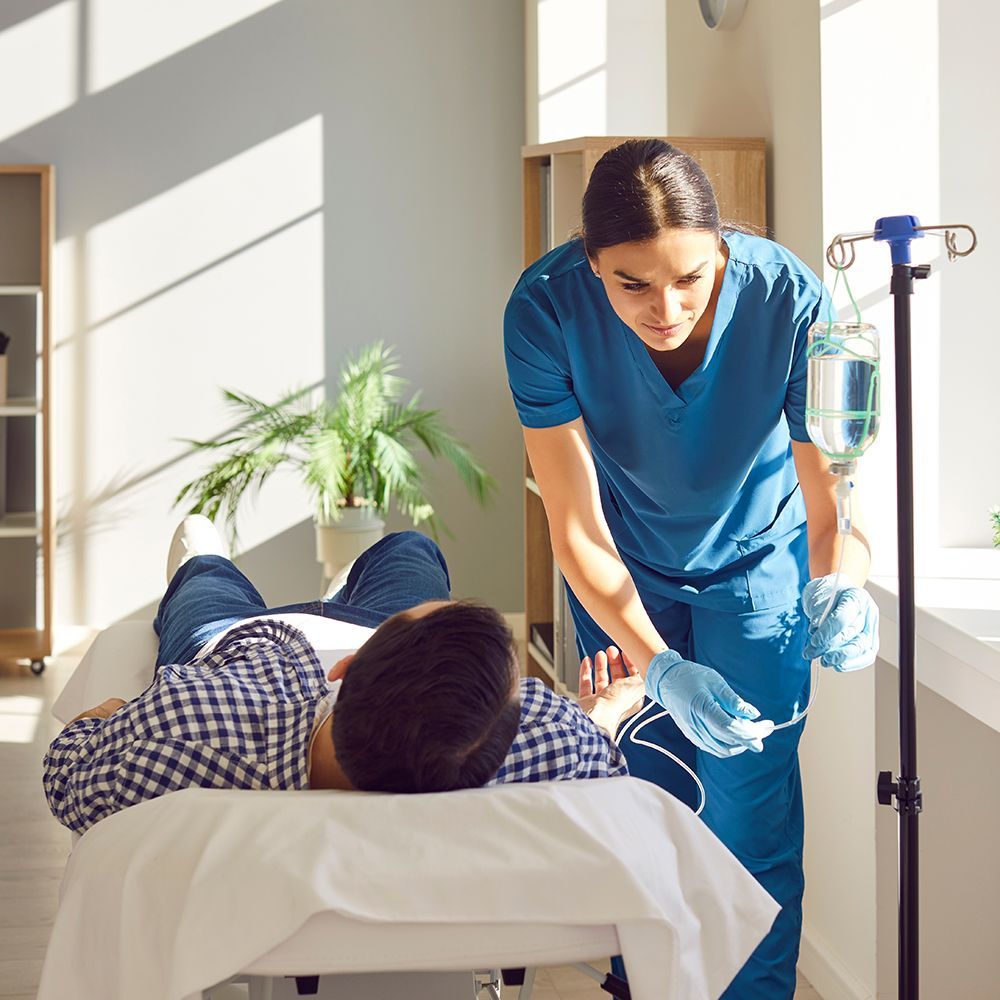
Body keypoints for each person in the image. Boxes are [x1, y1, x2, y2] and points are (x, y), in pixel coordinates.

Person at [503, 138, 880, 999]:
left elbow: (832, 509)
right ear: (591, 264)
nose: (665, 307)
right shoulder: (545, 311)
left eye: (691, 279)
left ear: (722, 250)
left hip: (758, 571)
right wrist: (657, 663)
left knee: (750, 817)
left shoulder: (787, 300)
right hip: (622, 572)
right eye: (631, 283)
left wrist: (841, 585)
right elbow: (575, 524)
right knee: (644, 799)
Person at [44, 517, 642, 836]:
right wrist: (607, 711)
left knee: (202, 561)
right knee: (410, 547)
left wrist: (105, 711)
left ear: (344, 670)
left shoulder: (192, 717)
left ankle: (211, 557)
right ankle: (346, 592)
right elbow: (596, 751)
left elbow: (68, 778)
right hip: (372, 632)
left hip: (236, 642)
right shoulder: (533, 741)